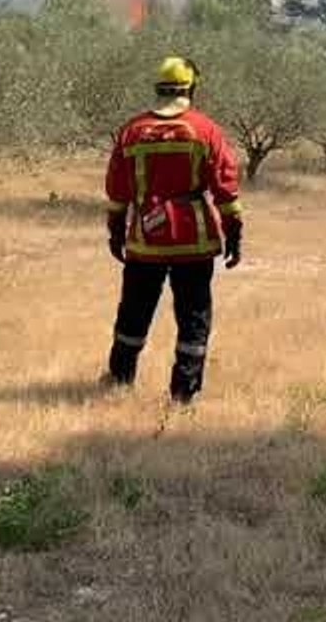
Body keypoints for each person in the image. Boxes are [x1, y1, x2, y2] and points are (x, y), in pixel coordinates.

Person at [103, 56, 244, 404]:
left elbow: (117, 188)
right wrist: (234, 232)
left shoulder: (132, 131)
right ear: (191, 89)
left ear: (159, 88)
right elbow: (225, 186)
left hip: (145, 242)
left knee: (134, 311)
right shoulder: (205, 130)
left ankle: (119, 380)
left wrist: (116, 231)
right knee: (194, 316)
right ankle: (183, 394)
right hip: (193, 242)